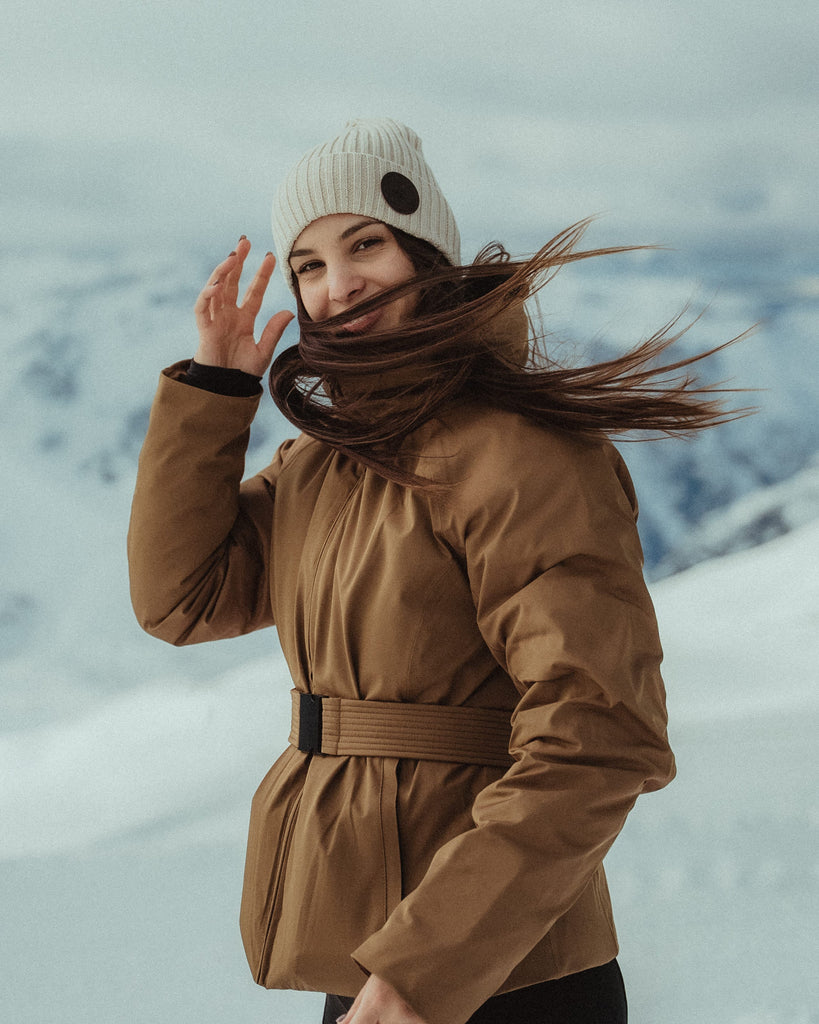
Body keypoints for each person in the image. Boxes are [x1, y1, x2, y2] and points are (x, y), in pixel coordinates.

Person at [128, 118, 743, 1024]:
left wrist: (429, 968)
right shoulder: (322, 466)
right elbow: (180, 599)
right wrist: (214, 395)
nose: (337, 285)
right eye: (308, 265)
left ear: (426, 251)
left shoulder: (520, 455)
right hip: (366, 951)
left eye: (364, 244)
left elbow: (600, 731)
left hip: (496, 970)